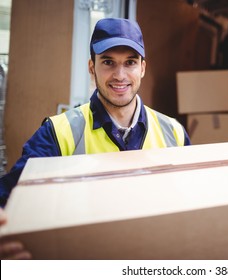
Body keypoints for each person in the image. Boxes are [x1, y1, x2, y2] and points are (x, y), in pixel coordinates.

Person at [0, 18, 191, 259]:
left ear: (142, 68)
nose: (119, 75)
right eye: (108, 62)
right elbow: (10, 196)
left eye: (130, 63)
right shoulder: (58, 132)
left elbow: (189, 204)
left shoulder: (173, 132)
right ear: (92, 67)